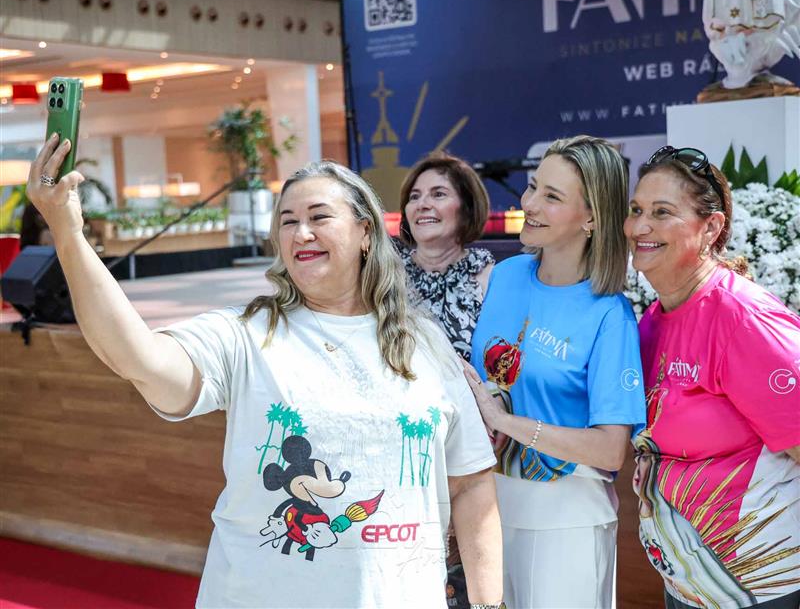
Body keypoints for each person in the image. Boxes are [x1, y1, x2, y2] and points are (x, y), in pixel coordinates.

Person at [26, 134, 504, 609]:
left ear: (365, 232)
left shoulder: (424, 342)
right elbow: (140, 359)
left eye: (319, 217)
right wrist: (68, 233)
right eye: (288, 221)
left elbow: (471, 483)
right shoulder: (247, 333)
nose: (302, 233)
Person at [462, 135, 647, 609]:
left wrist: (507, 422)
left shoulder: (610, 315)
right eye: (532, 187)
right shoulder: (506, 276)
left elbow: (611, 449)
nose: (529, 204)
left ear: (591, 218)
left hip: (566, 521)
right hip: (487, 506)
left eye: (552, 196)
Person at [625, 146, 800, 609]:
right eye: (637, 210)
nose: (640, 227)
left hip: (764, 588)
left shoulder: (742, 319)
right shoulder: (652, 321)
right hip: (689, 586)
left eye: (662, 212)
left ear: (711, 227)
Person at [398, 152, 494, 361]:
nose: (422, 204)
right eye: (414, 197)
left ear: (467, 208)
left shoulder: (493, 280)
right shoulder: (385, 276)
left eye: (438, 194)